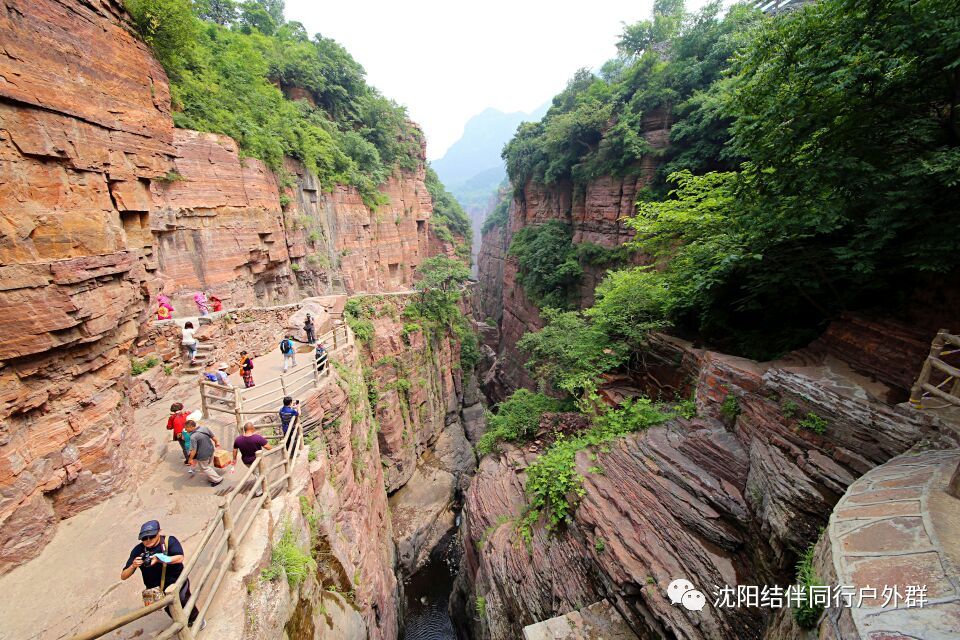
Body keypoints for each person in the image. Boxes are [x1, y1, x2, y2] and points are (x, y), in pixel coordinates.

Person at [121, 520, 203, 630]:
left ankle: (196, 620)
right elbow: (123, 576)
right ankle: (182, 624)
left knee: (184, 600)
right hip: (156, 589)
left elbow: (180, 557)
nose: (148, 540)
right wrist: (133, 566)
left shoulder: (169, 541)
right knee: (169, 609)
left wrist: (161, 559)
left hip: (176, 582)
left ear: (159, 532)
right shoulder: (138, 550)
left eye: (152, 536)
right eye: (144, 538)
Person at [232, 422, 272, 497]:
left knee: (257, 473)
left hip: (246, 461)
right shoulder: (257, 438)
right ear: (252, 428)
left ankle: (261, 486)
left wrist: (234, 459)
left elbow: (234, 450)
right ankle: (259, 491)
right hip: (256, 461)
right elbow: (269, 447)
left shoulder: (238, 439)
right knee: (259, 476)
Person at [185, 420, 223, 486]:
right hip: (211, 450)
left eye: (186, 428)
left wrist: (190, 459)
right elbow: (213, 436)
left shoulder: (193, 437)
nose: (185, 429)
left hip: (203, 454)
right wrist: (216, 443)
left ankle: (217, 479)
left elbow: (194, 450)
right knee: (208, 465)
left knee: (205, 468)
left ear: (191, 427)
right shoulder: (204, 428)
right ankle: (212, 477)